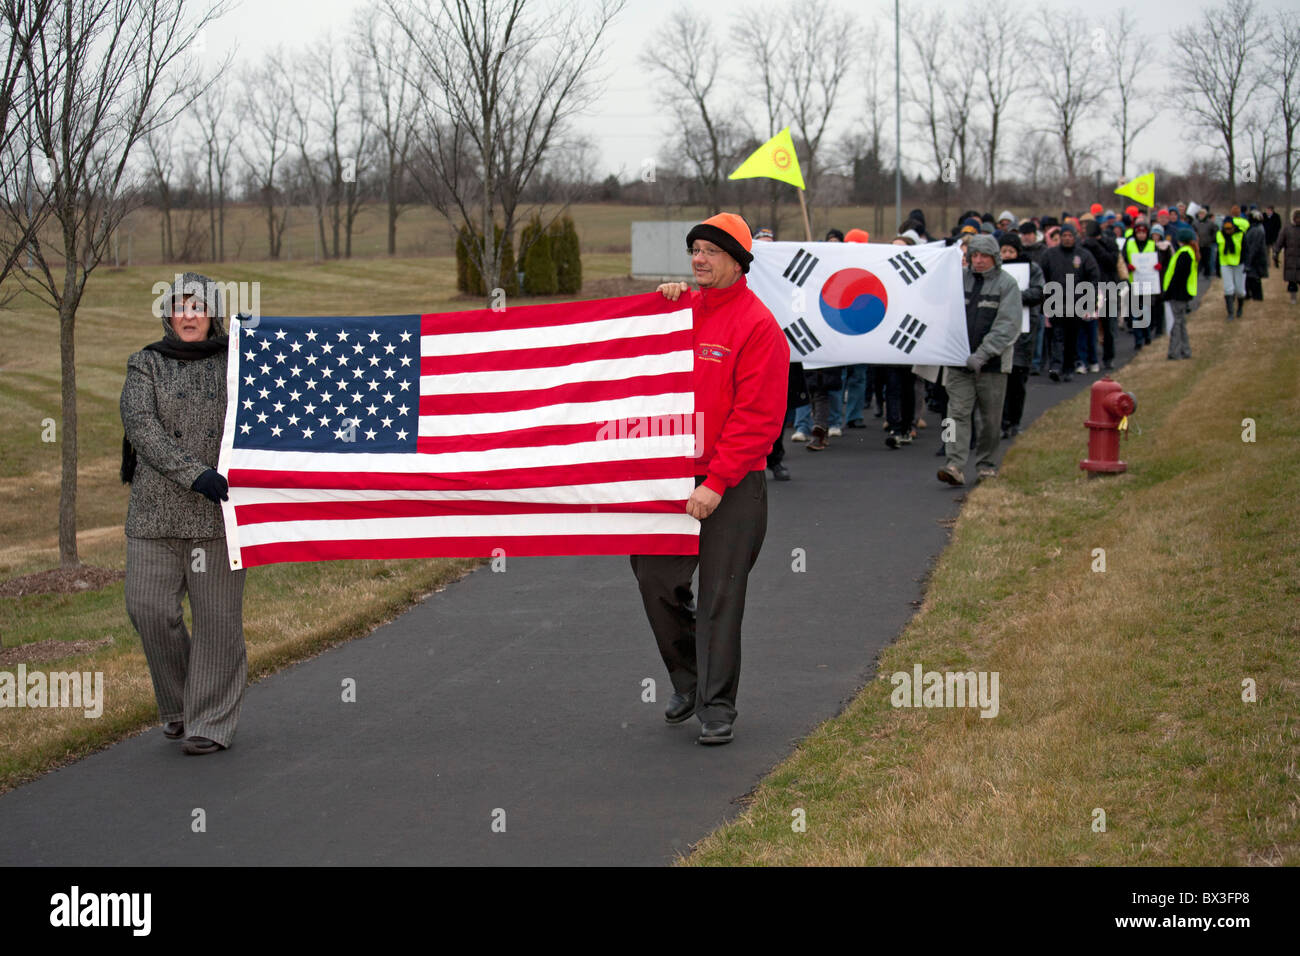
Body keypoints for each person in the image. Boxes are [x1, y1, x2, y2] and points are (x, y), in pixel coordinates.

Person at [634, 212, 788, 746]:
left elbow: (758, 418)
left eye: (711, 251)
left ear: (738, 261)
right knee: (656, 581)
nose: (698, 259)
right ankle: (689, 679)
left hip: (732, 483)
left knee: (723, 595)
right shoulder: (678, 312)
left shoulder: (758, 325)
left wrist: (716, 482)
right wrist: (658, 309)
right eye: (694, 249)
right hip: (671, 475)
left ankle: (718, 706)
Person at [119, 272, 247, 756]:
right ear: (169, 313)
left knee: (218, 622)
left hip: (218, 518)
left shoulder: (234, 362)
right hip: (154, 516)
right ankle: (178, 705)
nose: (190, 315)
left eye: (199, 307)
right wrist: (193, 474)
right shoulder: (145, 363)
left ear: (212, 314)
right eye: (181, 306)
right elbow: (140, 426)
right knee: (148, 609)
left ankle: (209, 722)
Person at [937, 234, 1022, 486]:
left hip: (993, 366)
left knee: (990, 419)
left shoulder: (1007, 285)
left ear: (995, 258)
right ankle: (953, 463)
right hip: (957, 363)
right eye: (974, 255)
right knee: (954, 415)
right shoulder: (957, 280)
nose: (978, 260)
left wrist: (983, 354)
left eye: (984, 256)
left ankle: (986, 464)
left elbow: (1008, 326)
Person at [998, 232, 1044, 438]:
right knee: (1000, 381)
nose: (1007, 255)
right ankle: (1000, 421)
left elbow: (1039, 292)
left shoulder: (1031, 269)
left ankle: (1014, 421)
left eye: (1011, 251)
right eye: (1004, 251)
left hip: (1024, 330)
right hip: (1000, 331)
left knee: (1017, 379)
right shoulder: (995, 270)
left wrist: (1014, 297)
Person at [1041, 223, 1099, 382]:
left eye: (1070, 236)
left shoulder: (1084, 256)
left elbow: (1093, 278)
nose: (1067, 239)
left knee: (1071, 338)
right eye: (1064, 236)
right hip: (1056, 302)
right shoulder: (1050, 254)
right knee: (1056, 336)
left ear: (1075, 237)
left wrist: (1090, 300)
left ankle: (1068, 368)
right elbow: (1042, 277)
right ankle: (1056, 367)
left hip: (1077, 304)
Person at [1163, 226, 1198, 359]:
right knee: (1181, 322)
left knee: (1176, 323)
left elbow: (1177, 275)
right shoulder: (1189, 252)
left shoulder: (1184, 253)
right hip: (1183, 292)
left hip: (1178, 293)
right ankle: (1185, 350)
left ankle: (1174, 351)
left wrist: (1168, 292)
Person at [1217, 213, 1250, 320]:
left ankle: (1240, 307)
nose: (1228, 231)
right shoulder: (1219, 235)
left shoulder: (1240, 235)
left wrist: (1247, 265)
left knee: (1240, 290)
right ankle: (1230, 313)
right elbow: (1218, 252)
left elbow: (1246, 251)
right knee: (1228, 289)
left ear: (1233, 227)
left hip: (1239, 264)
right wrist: (1217, 267)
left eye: (1230, 228)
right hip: (1225, 264)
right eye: (1226, 228)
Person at [1273, 208, 1300, 305]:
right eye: (1297, 218)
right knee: (1292, 281)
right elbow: (1279, 242)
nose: (1298, 220)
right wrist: (1276, 252)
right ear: (1294, 218)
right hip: (1291, 259)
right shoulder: (1287, 229)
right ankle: (1293, 298)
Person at [1243, 210, 1269, 302]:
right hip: (1256, 259)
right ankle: (1251, 296)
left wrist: (1248, 261)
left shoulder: (1256, 230)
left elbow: (1253, 247)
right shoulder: (1256, 228)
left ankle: (1256, 297)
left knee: (1254, 279)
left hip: (1256, 260)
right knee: (1251, 278)